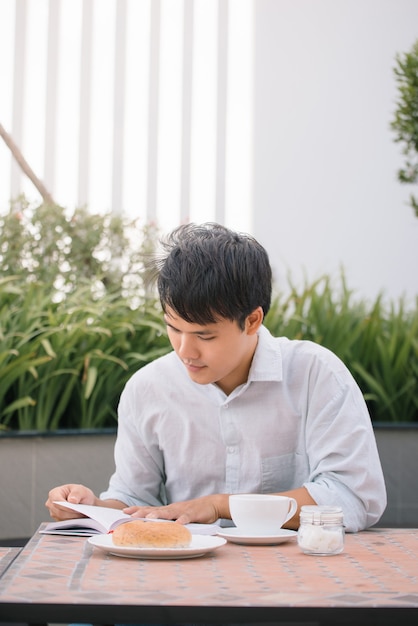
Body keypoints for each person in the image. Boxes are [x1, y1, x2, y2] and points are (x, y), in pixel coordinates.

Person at [46, 222, 386, 533]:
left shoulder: (316, 374)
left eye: (204, 336)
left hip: (296, 581)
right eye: (173, 328)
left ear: (252, 321)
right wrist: (92, 508)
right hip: (181, 578)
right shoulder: (147, 388)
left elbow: (352, 498)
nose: (185, 351)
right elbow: (135, 499)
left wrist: (220, 505)